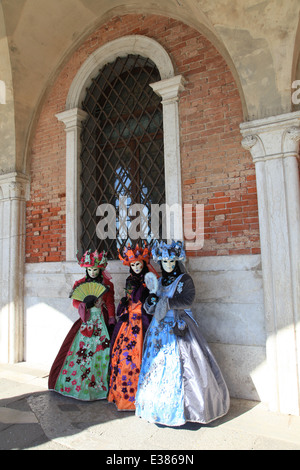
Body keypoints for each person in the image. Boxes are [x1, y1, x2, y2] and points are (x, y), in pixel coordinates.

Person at [135, 240, 230, 426]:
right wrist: (152, 299)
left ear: (177, 262)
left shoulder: (184, 280)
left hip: (178, 327)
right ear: (160, 263)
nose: (168, 266)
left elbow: (188, 299)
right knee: (156, 367)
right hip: (158, 332)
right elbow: (148, 308)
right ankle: (155, 408)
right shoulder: (159, 281)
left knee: (183, 367)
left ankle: (186, 410)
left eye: (172, 262)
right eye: (165, 262)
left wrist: (166, 303)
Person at [48, 249, 116, 401]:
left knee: (101, 353)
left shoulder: (108, 285)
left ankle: (99, 386)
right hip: (85, 322)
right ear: (86, 269)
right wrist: (85, 303)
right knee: (82, 353)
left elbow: (110, 303)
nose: (92, 272)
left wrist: (111, 318)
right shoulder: (79, 284)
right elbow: (75, 301)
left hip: (101, 322)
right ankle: (78, 384)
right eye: (90, 269)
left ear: (100, 270)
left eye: (95, 270)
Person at [108, 243, 158, 410]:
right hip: (129, 321)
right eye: (133, 265)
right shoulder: (130, 279)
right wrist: (124, 304)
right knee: (124, 356)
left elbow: (152, 300)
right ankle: (126, 395)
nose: (136, 267)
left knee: (142, 355)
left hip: (144, 320)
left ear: (144, 264)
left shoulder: (149, 279)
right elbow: (129, 298)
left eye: (139, 264)